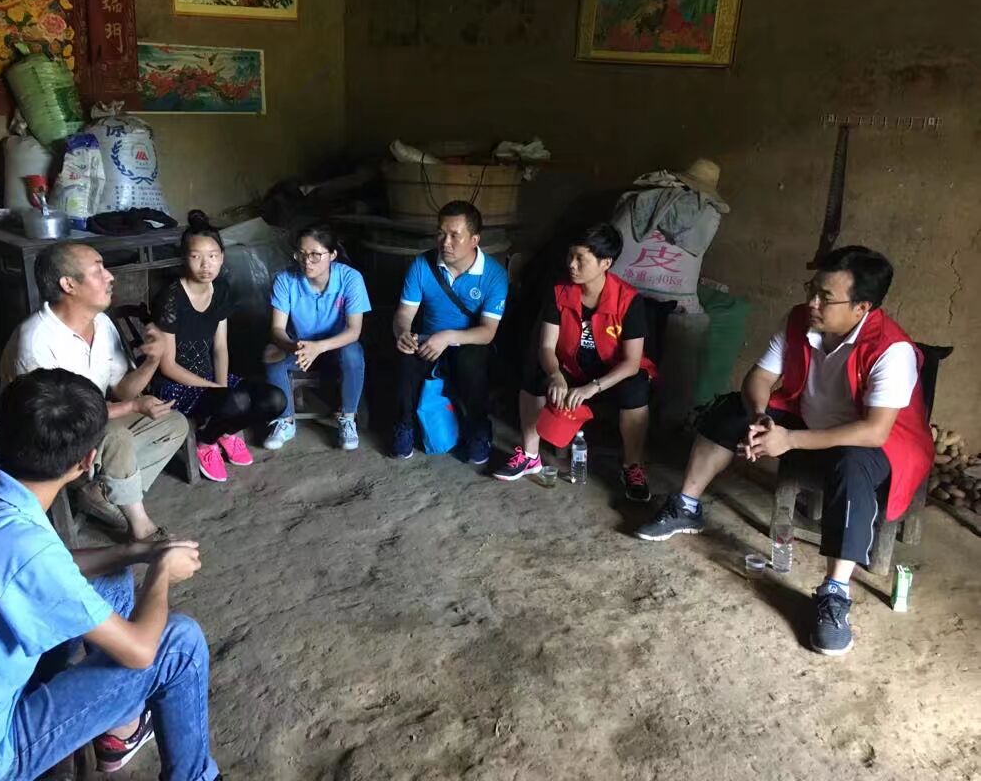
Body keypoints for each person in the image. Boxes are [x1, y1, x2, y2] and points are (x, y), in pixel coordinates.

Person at [0, 368, 220, 780]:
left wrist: (132, 551)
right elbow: (141, 651)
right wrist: (161, 571)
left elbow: (41, 567)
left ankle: (121, 732)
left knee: (110, 578)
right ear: (88, 460)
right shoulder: (25, 545)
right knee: (179, 644)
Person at [636, 246, 933, 656]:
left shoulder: (891, 349)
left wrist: (789, 440)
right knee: (730, 411)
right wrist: (761, 417)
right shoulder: (799, 320)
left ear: (862, 307)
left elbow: (874, 431)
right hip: (807, 416)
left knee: (852, 465)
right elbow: (759, 377)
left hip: (876, 441)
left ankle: (835, 594)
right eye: (812, 289)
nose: (812, 303)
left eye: (825, 297)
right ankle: (686, 505)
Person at [1, 242, 188, 542]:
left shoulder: (101, 323)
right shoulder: (37, 341)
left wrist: (153, 360)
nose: (110, 276)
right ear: (69, 284)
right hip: (49, 441)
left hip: (92, 424)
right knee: (115, 435)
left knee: (173, 423)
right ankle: (141, 526)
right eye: (98, 270)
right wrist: (132, 407)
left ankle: (100, 493)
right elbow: (57, 420)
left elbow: (123, 390)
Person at [492, 224, 656, 500]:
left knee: (636, 385)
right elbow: (546, 345)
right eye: (570, 256)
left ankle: (632, 466)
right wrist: (555, 374)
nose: (572, 264)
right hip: (571, 368)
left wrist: (593, 387)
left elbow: (631, 362)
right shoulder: (559, 292)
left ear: (606, 263)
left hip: (610, 375)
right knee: (534, 367)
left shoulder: (628, 300)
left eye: (581, 259)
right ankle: (531, 456)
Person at [151, 210, 286, 482]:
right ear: (184, 257)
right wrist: (218, 392)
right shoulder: (171, 298)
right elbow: (167, 365)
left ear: (222, 257)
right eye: (196, 256)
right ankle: (205, 441)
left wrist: (222, 387)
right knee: (237, 401)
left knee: (275, 399)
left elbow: (220, 347)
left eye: (213, 256)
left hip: (211, 378)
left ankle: (225, 430)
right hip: (176, 385)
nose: (206, 265)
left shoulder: (220, 289)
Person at [392, 200, 509, 465]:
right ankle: (404, 426)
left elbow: (488, 332)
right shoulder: (422, 265)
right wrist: (403, 333)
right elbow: (403, 315)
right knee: (406, 356)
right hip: (428, 340)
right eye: (441, 233)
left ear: (474, 240)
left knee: (471, 361)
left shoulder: (494, 275)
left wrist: (447, 337)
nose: (445, 242)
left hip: (468, 342)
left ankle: (478, 431)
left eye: (455, 235)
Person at [264, 222, 371, 451]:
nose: (307, 261)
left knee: (353, 353)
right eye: (301, 254)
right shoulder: (286, 279)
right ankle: (285, 420)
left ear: (332, 255)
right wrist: (295, 347)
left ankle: (347, 418)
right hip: (300, 347)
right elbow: (277, 330)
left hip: (336, 346)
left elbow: (354, 330)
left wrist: (319, 347)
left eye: (315, 254)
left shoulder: (350, 279)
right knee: (271, 354)